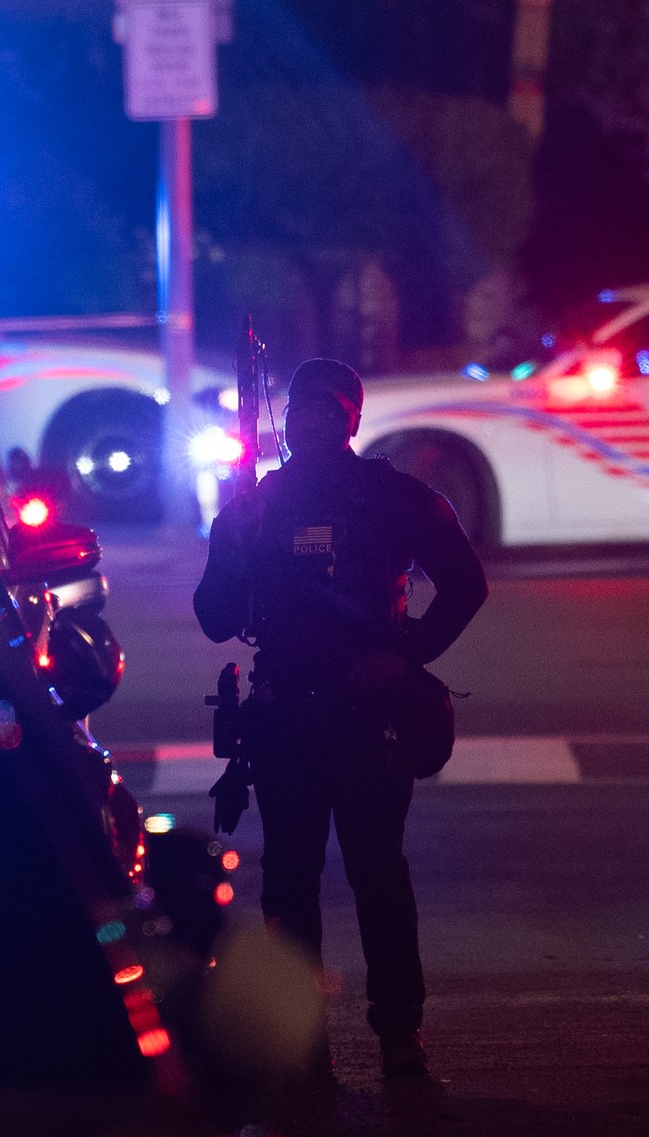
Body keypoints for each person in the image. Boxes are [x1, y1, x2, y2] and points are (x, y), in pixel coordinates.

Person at [193, 358, 488, 1079]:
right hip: (286, 716)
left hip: (368, 718)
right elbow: (215, 617)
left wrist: (405, 655)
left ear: (353, 418)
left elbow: (466, 585)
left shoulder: (394, 499)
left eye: (324, 412)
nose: (306, 424)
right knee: (288, 885)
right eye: (296, 413)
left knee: (378, 875)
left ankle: (399, 1035)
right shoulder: (258, 505)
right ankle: (300, 1048)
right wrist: (235, 542)